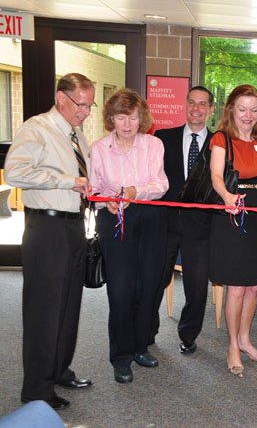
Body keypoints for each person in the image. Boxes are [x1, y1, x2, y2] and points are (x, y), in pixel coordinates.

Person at [4, 73, 95, 410]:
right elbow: (15, 172)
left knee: (69, 306)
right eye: (80, 104)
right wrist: (67, 180)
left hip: (73, 227)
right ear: (62, 97)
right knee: (45, 310)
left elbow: (82, 181)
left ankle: (59, 370)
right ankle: (37, 390)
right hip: (46, 229)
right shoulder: (36, 128)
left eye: (89, 105)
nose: (86, 111)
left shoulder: (77, 136)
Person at [89, 88, 169, 384]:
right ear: (111, 118)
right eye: (121, 116)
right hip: (114, 219)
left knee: (148, 285)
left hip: (148, 217)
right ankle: (120, 356)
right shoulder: (99, 148)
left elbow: (160, 183)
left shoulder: (153, 144)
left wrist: (136, 191)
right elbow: (93, 190)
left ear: (141, 118)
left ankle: (139, 347)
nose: (127, 123)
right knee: (120, 290)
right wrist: (105, 200)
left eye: (132, 117)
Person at [209, 84, 257, 378]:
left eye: (254, 109)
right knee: (237, 286)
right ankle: (232, 347)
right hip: (233, 213)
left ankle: (245, 339)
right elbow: (216, 175)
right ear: (231, 110)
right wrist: (227, 197)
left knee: (254, 284)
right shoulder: (221, 138)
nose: (248, 115)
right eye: (243, 109)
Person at [153, 86, 215, 354]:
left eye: (203, 104)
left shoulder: (219, 144)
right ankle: (146, 331)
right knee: (155, 280)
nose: (196, 109)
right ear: (185, 105)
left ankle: (188, 335)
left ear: (211, 110)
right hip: (164, 223)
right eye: (192, 102)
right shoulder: (162, 138)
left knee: (197, 287)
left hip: (200, 226)